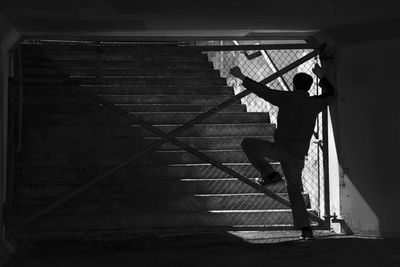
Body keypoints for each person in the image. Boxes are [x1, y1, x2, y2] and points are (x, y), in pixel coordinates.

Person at [229, 64, 336, 239]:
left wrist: (241, 76)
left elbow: (263, 91)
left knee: (248, 143)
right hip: (298, 155)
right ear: (309, 87)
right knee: (294, 190)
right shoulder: (314, 103)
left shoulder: (286, 98)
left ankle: (269, 174)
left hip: (280, 150)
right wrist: (322, 76)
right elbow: (331, 94)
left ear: (293, 85)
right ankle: (306, 230)